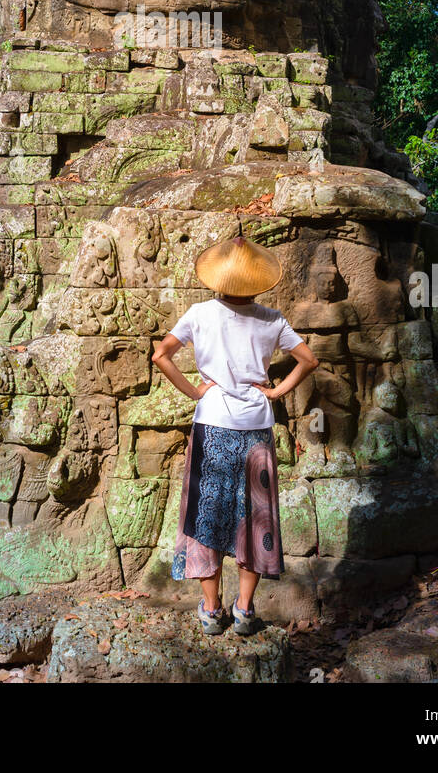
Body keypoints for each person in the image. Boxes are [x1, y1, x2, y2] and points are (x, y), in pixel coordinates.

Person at [153, 234, 318, 635]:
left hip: (212, 427)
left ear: (219, 277)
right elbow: (309, 360)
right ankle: (244, 610)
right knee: (255, 518)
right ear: (257, 282)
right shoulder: (273, 319)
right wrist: (276, 391)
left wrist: (194, 391)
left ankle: (211, 611)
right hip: (257, 429)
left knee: (207, 515)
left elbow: (161, 355)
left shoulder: (199, 314)